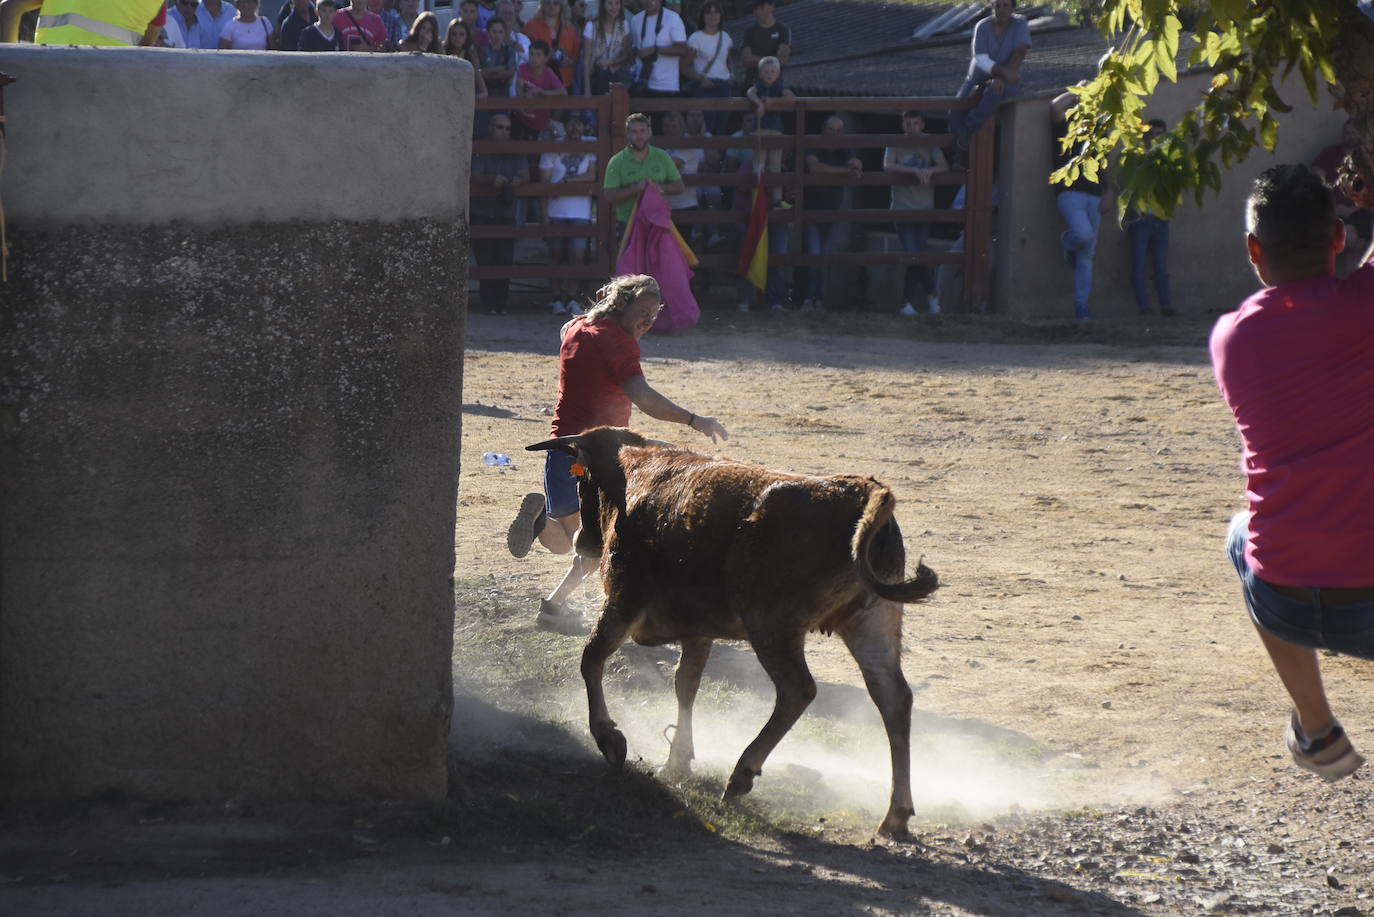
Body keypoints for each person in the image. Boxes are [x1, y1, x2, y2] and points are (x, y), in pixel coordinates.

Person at [1211, 163, 1374, 783]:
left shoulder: (1232, 338)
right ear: (1338, 238)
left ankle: (1316, 724)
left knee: (1239, 531)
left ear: (1254, 250)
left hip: (1284, 597)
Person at [505, 273, 728, 635]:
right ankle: (627, 612)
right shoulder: (620, 344)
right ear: (620, 304)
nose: (649, 321)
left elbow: (569, 330)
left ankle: (542, 545)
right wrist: (694, 419)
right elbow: (643, 397)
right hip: (600, 455)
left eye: (654, 314)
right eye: (643, 311)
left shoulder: (574, 326)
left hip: (562, 447)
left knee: (565, 539)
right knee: (599, 541)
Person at [1051, 88, 1112, 320]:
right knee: (1082, 236)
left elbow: (1104, 165)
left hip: (1095, 195)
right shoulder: (1064, 126)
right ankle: (1067, 242)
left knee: (1087, 255)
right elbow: (1054, 107)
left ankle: (1081, 306)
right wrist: (1080, 90)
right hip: (1069, 192)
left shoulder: (1098, 133)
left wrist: (1109, 192)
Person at [950, 0, 1029, 167]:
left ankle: (967, 133)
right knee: (956, 109)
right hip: (978, 76)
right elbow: (980, 57)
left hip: (1007, 78)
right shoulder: (982, 26)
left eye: (1006, 5)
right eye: (997, 5)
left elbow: (1020, 52)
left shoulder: (1020, 23)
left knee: (995, 92)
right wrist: (1002, 72)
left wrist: (1003, 77)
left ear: (1013, 8)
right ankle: (956, 153)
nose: (1001, 9)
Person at [884, 109, 947, 316]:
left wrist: (929, 170)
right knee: (913, 254)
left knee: (917, 254)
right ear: (903, 125)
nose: (912, 128)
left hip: (924, 207)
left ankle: (909, 302)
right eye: (908, 124)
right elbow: (888, 165)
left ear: (923, 124)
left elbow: (943, 166)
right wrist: (913, 171)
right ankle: (929, 294)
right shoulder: (895, 142)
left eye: (916, 124)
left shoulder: (929, 142)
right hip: (902, 207)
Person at [801, 115, 862, 311]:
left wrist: (852, 166)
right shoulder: (813, 145)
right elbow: (814, 168)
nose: (835, 134)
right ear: (823, 130)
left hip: (833, 212)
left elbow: (856, 165)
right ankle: (810, 298)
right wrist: (845, 170)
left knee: (823, 256)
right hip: (811, 211)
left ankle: (817, 299)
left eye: (838, 131)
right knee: (815, 255)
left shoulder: (845, 148)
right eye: (831, 129)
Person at [470, 113, 529, 315]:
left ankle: (500, 304)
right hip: (483, 213)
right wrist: (490, 179)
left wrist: (518, 180)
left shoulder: (514, 150)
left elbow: (525, 173)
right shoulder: (481, 148)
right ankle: (488, 304)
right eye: (499, 127)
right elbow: (474, 174)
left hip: (506, 213)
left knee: (504, 259)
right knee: (485, 259)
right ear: (490, 128)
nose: (503, 131)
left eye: (507, 128)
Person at [540, 112, 597, 316]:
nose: (575, 128)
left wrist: (565, 183)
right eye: (571, 123)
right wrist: (544, 215)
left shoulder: (591, 147)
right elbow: (544, 184)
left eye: (579, 124)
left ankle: (571, 296)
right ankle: (556, 297)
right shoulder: (551, 149)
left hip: (580, 212)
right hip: (556, 211)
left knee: (577, 256)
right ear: (565, 126)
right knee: (554, 255)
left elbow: (592, 174)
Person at [602, 112, 685, 245]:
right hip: (628, 223)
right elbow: (609, 195)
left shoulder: (662, 156)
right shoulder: (616, 161)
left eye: (642, 131)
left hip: (657, 222)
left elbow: (679, 186)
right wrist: (635, 188)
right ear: (627, 134)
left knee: (657, 264)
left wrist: (658, 188)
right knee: (631, 265)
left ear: (649, 133)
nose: (639, 136)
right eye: (634, 132)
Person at [1312, 118, 1374, 277]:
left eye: (1353, 133)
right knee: (1348, 238)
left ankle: (1353, 285)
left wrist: (1352, 209)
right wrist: (1331, 207)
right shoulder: (1331, 153)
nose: (1349, 136)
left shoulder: (1366, 158)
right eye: (1346, 132)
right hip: (1334, 211)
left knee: (1359, 245)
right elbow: (1316, 180)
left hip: (1359, 210)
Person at [1126, 118, 1176, 317]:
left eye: (1161, 134)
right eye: (1154, 134)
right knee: (1138, 265)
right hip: (1141, 218)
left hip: (1161, 219)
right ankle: (1144, 308)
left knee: (1161, 266)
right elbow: (1129, 184)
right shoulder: (1137, 159)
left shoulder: (1167, 159)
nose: (1158, 138)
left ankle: (1166, 307)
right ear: (1145, 137)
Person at [746, 55, 794, 207]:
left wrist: (774, 101)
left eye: (773, 71)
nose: (769, 74)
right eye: (766, 71)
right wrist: (759, 104)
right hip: (760, 129)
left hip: (775, 130)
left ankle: (777, 199)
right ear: (760, 74)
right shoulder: (759, 86)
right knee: (758, 164)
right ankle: (756, 197)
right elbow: (750, 92)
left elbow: (792, 98)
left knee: (775, 165)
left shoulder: (779, 86)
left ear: (778, 73)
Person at [683, 1, 732, 136]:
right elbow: (684, 66)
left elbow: (728, 62)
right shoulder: (696, 38)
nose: (713, 15)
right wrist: (700, 78)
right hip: (705, 86)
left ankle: (719, 157)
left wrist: (729, 77)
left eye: (716, 12)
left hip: (723, 87)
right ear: (703, 16)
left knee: (721, 127)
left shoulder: (726, 37)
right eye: (709, 12)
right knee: (705, 128)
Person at [628, 0, 688, 102]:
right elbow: (635, 49)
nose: (649, 2)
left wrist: (654, 50)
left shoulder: (672, 18)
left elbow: (683, 49)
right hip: (642, 83)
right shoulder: (635, 20)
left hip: (666, 86)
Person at [513, 39, 565, 138]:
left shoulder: (548, 73)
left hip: (541, 120)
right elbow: (518, 88)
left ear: (545, 58)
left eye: (538, 55)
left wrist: (542, 92)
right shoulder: (523, 67)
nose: (534, 58)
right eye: (531, 54)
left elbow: (562, 91)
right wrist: (524, 95)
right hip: (521, 117)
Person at [524, 0, 580, 91]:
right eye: (548, 3)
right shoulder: (530, 26)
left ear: (561, 6)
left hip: (564, 80)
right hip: (537, 81)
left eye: (556, 3)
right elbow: (523, 54)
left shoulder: (570, 29)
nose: (552, 6)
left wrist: (569, 61)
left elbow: (577, 56)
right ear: (542, 5)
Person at [581, 0, 630, 96]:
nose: (614, 7)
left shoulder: (624, 25)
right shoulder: (591, 26)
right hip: (596, 76)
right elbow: (586, 61)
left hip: (617, 76)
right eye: (610, 3)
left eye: (617, 3)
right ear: (603, 5)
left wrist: (610, 61)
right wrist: (587, 90)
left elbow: (625, 55)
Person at [740, 0, 789, 89]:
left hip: (775, 86)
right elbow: (746, 60)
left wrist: (756, 59)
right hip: (752, 84)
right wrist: (772, 60)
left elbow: (782, 60)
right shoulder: (749, 31)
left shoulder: (783, 30)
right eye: (755, 9)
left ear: (772, 6)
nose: (758, 12)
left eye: (761, 7)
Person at [445, 19, 490, 97]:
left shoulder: (471, 53)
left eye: (461, 34)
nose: (457, 38)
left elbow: (483, 89)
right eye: (454, 34)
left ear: (467, 36)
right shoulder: (443, 51)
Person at [168, 0, 236, 49]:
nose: (189, 7)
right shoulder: (168, 18)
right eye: (185, 3)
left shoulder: (231, 10)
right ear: (176, 2)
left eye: (193, 5)